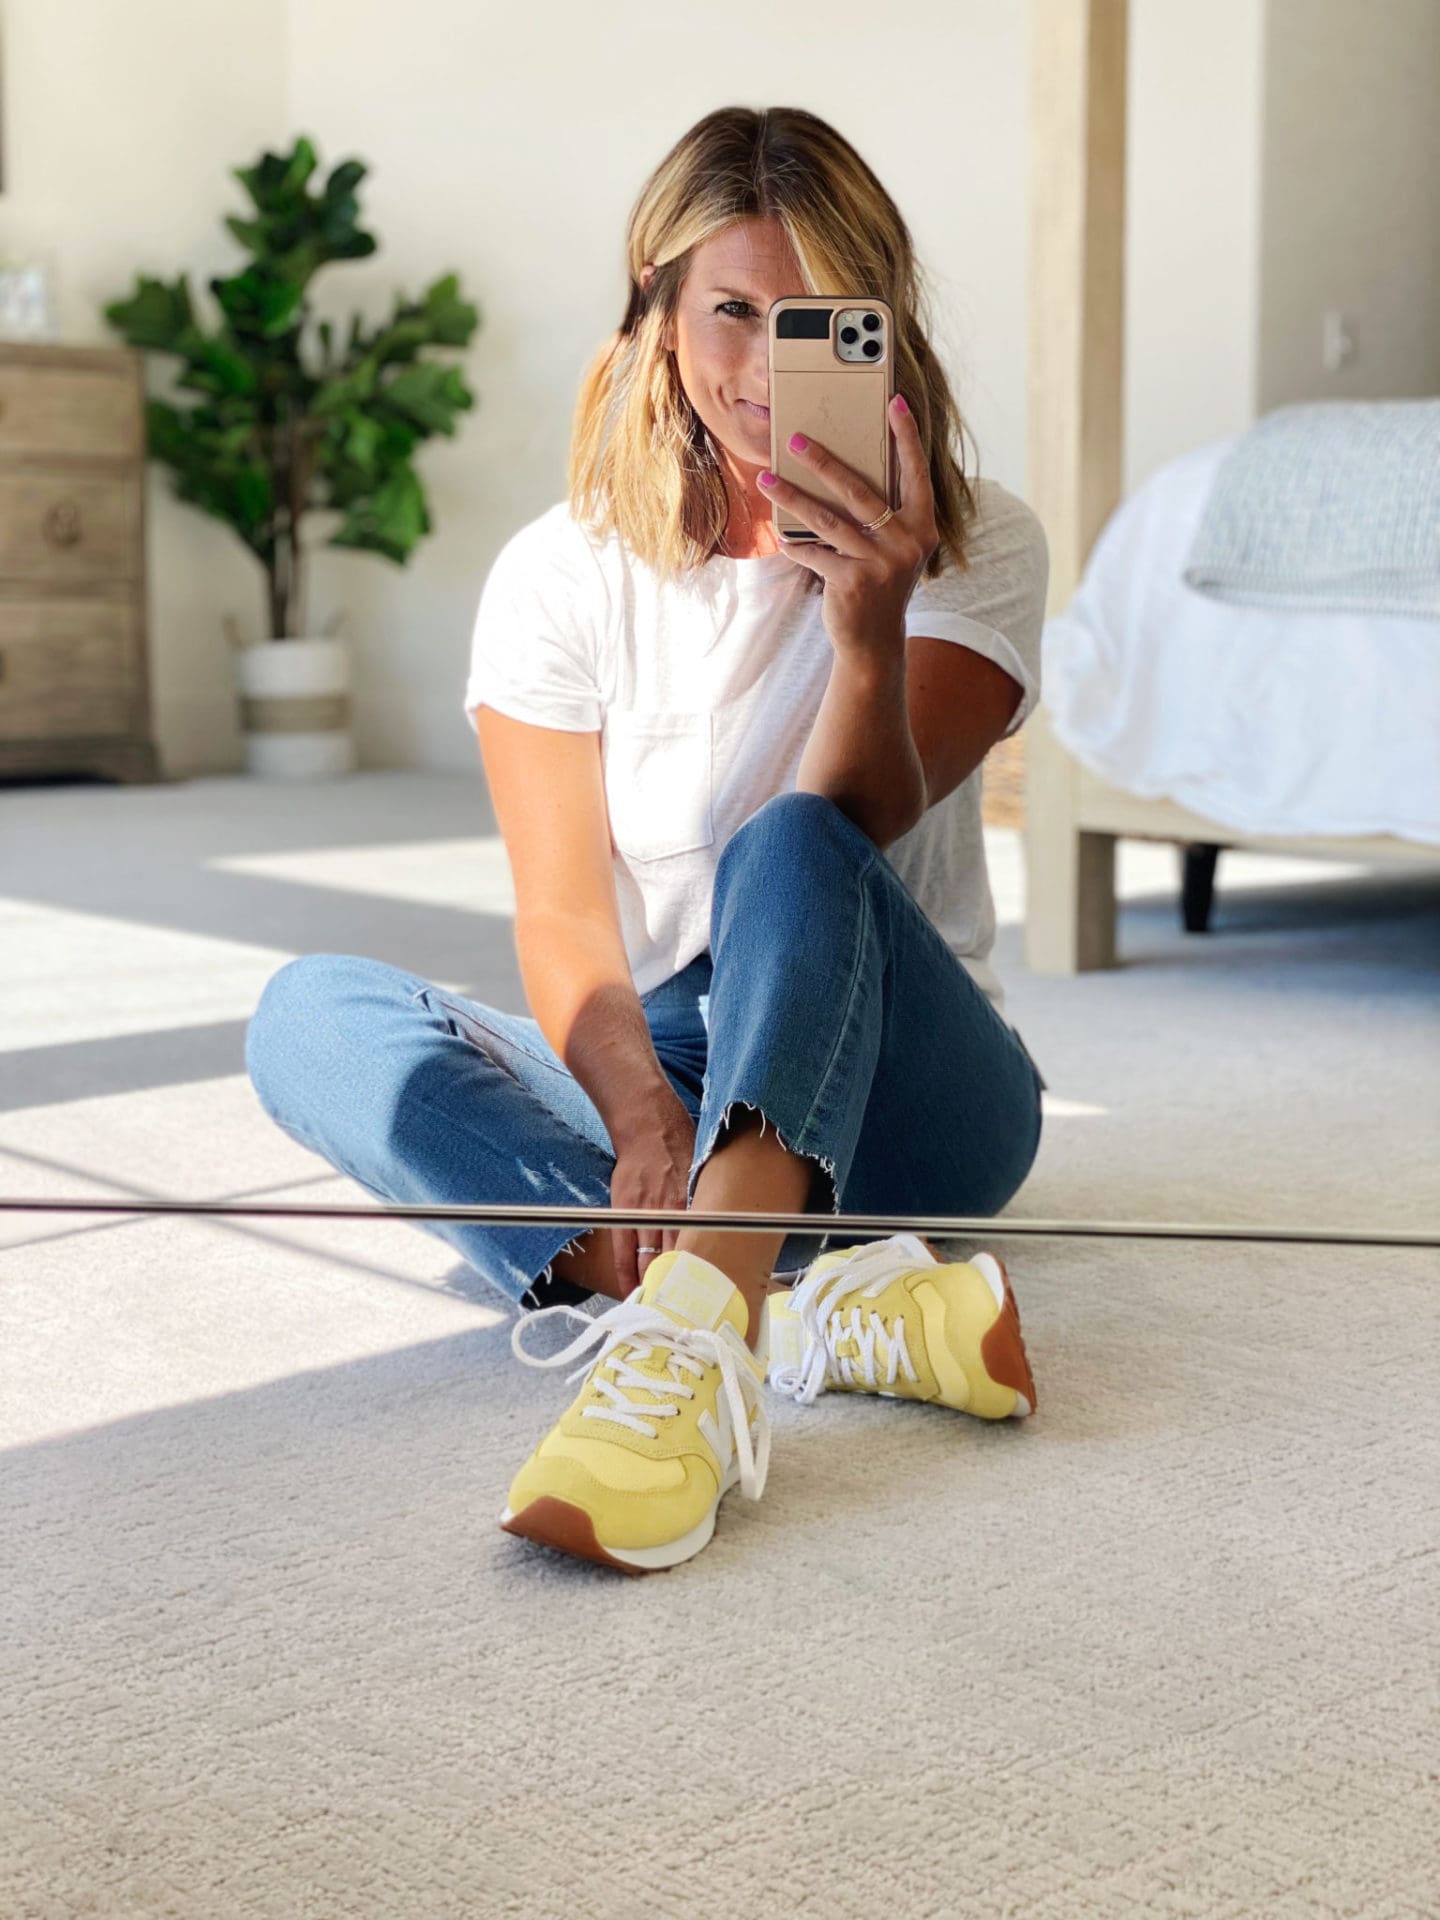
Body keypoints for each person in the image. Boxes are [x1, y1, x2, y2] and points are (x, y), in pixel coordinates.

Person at [245, 104, 1050, 1575]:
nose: (766, 366)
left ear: (879, 326)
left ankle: (683, 1353)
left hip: (914, 1094)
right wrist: (640, 1121)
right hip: (685, 1046)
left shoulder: (978, 542)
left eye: (813, 318)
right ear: (659, 313)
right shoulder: (560, 576)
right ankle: (783, 1307)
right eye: (732, 310)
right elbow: (565, 917)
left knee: (786, 845)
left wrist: (865, 629)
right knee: (311, 1017)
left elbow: (853, 833)